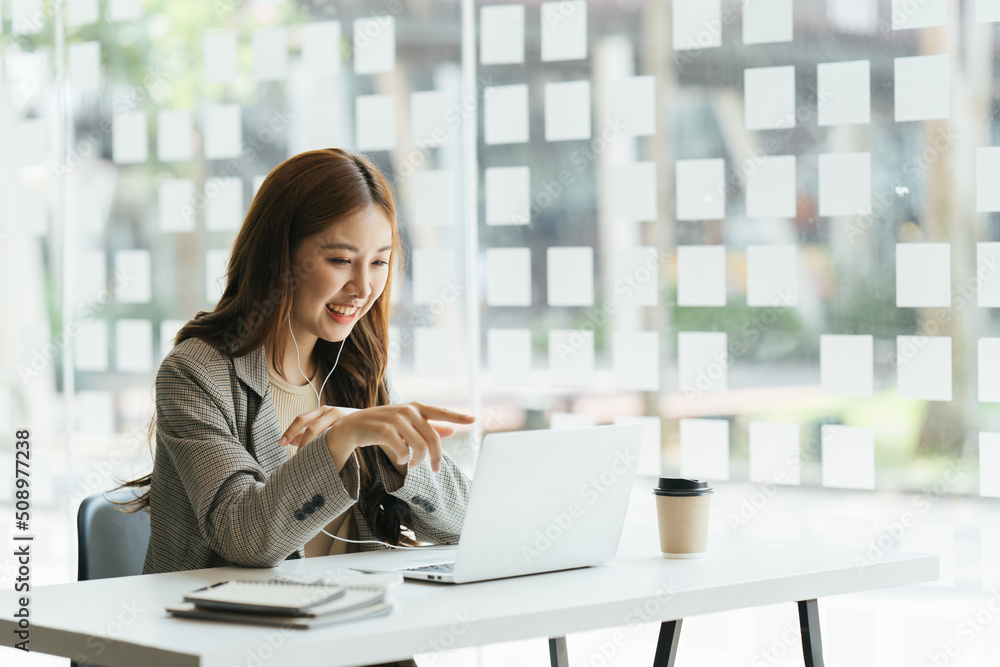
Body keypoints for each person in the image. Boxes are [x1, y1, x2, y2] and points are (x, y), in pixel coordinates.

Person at [115, 148, 474, 667]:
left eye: (378, 263)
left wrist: (377, 440)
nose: (363, 287)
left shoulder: (356, 371)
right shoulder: (196, 373)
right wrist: (337, 442)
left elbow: (464, 524)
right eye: (339, 260)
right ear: (280, 256)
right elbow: (246, 536)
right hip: (234, 651)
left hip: (361, 644)